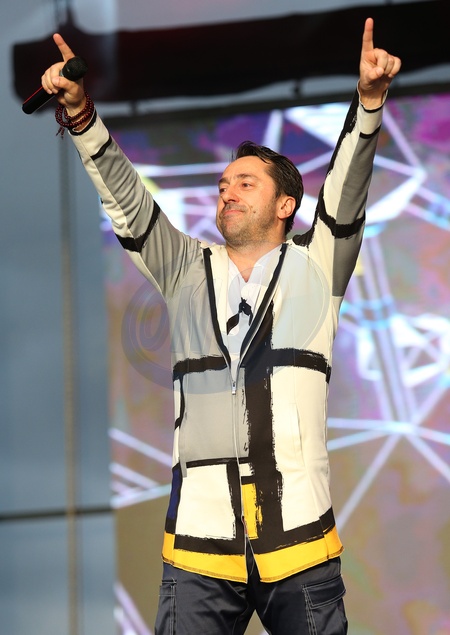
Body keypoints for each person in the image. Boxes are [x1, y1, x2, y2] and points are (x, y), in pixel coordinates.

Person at [41, 17, 401, 634]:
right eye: (222, 185)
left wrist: (368, 104)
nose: (227, 193)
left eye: (245, 183)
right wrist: (80, 116)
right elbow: (128, 202)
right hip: (198, 549)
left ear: (286, 204)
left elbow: (346, 193)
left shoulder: (316, 266)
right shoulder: (185, 269)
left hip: (301, 543)